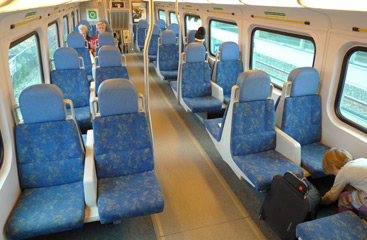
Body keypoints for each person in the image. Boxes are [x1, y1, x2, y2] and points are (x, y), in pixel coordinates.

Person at [321, 148, 367, 219]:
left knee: (344, 198)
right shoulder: (360, 160)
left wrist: (321, 201)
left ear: (333, 167)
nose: (335, 175)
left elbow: (332, 196)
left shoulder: (343, 173)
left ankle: (342, 220)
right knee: (356, 195)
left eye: (333, 173)